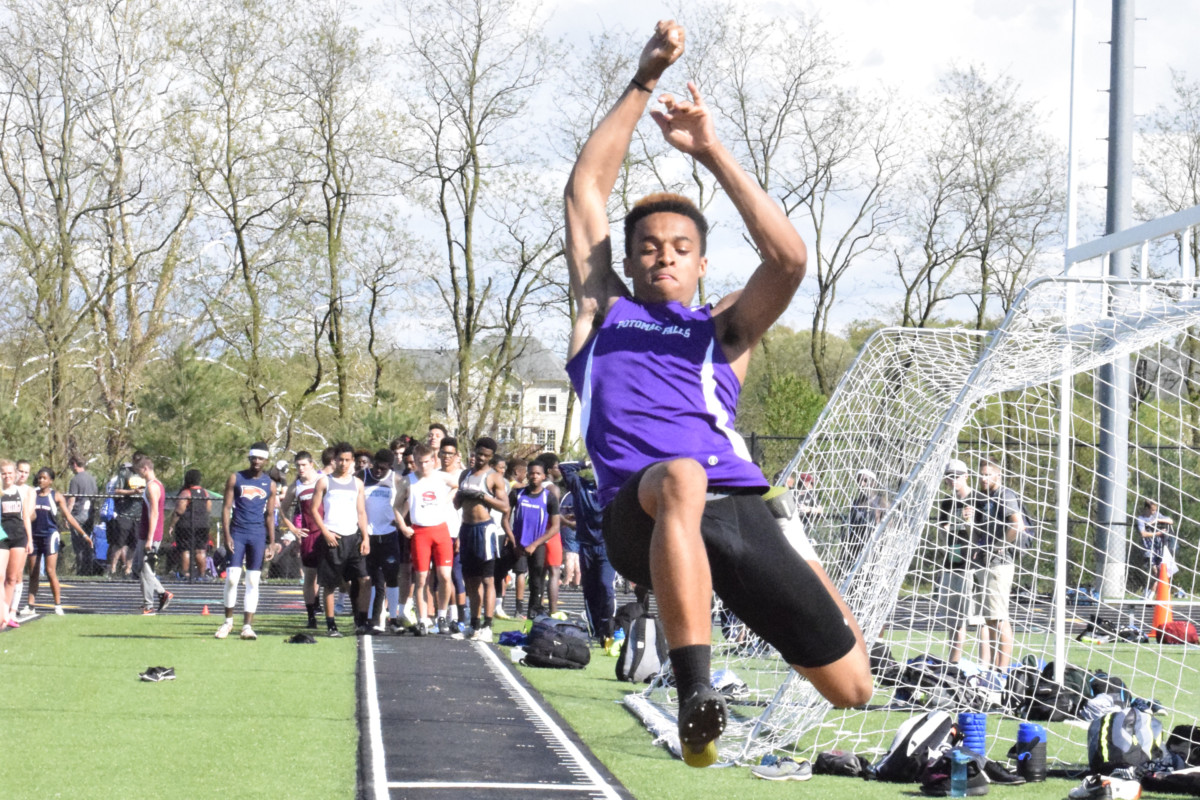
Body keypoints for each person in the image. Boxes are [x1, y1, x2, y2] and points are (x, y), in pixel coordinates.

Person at [562, 20, 870, 765]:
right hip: (645, 508)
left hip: (742, 512)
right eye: (648, 248)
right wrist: (644, 79)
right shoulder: (604, 312)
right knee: (682, 475)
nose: (663, 256)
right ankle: (696, 689)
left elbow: (790, 260)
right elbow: (586, 188)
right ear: (629, 264)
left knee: (852, 687)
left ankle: (767, 572)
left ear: (700, 262)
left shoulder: (724, 329)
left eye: (680, 248)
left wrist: (711, 150)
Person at [216, 443, 278, 640]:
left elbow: (270, 515)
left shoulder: (270, 483)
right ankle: (228, 622)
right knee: (232, 577)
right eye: (254, 458)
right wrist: (227, 535)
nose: (257, 461)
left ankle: (247, 626)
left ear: (266, 460)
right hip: (238, 532)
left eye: (261, 458)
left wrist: (272, 542)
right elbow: (226, 508)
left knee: (253, 579)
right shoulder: (236, 478)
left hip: (257, 534)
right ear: (249, 458)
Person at [310, 441, 372, 637]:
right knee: (330, 584)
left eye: (347, 460)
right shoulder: (324, 482)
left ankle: (361, 620)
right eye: (340, 460)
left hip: (353, 538)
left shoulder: (357, 483)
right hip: (333, 539)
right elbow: (314, 510)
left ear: (352, 461)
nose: (343, 464)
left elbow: (361, 512)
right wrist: (326, 532)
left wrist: (365, 538)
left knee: (364, 579)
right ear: (334, 460)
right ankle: (331, 625)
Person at [454, 437, 510, 642]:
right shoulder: (465, 474)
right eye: (479, 454)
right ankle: (474, 624)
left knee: (487, 579)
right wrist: (461, 494)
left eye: (486, 456)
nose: (481, 458)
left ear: (491, 457)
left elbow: (505, 507)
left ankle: (487, 625)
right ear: (474, 452)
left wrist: (482, 497)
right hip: (466, 529)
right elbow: (456, 505)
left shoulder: (494, 477)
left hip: (484, 530)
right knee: (470, 580)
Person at [403, 443, 458, 635]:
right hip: (420, 532)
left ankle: (442, 615)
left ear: (433, 461)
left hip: (440, 530)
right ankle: (423, 620)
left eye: (427, 462)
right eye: (420, 462)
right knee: (421, 578)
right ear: (415, 462)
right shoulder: (409, 480)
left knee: (444, 575)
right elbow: (397, 506)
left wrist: (447, 499)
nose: (424, 466)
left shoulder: (441, 476)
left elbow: (456, 485)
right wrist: (403, 526)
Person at [972, 459, 1022, 671]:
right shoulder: (984, 498)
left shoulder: (1005, 495)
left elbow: (1017, 525)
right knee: (990, 619)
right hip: (985, 563)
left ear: (997, 476)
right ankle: (992, 666)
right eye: (981, 474)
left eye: (988, 474)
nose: (984, 478)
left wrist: (1000, 545)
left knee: (1000, 618)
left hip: (999, 565)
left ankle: (1002, 669)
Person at [560, 460, 616, 639]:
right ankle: (596, 630)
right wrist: (588, 461)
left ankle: (608, 625)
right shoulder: (581, 487)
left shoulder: (613, 489)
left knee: (606, 587)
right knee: (590, 590)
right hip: (585, 546)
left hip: (606, 546)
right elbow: (564, 467)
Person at [26, 467, 89, 615]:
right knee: (33, 572)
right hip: (34, 536)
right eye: (39, 478)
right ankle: (30, 605)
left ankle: (57, 604)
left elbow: (69, 517)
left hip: (50, 535)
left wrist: (84, 534)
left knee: (50, 571)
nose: (41, 480)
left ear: (51, 481)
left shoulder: (56, 496)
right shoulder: (32, 494)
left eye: (44, 478)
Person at [504, 461, 561, 617]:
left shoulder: (549, 498)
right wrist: (512, 540)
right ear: (527, 474)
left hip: (537, 546)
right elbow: (505, 519)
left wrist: (535, 544)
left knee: (536, 581)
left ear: (543, 476)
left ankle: (533, 612)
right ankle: (504, 609)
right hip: (517, 544)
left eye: (537, 473)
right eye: (531, 473)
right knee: (504, 573)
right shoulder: (517, 494)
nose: (534, 476)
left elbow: (555, 527)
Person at [363, 448, 407, 632]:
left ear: (390, 466)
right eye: (376, 467)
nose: (378, 471)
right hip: (369, 535)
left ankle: (394, 619)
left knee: (391, 577)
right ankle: (374, 619)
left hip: (389, 534)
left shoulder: (396, 479)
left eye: (383, 468)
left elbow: (408, 498)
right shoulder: (362, 476)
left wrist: (400, 519)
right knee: (374, 579)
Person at [937, 459, 977, 663]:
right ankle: (952, 662)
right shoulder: (946, 503)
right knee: (951, 620)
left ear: (966, 477)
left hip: (972, 566)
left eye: (957, 476)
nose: (953, 480)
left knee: (973, 620)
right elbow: (945, 537)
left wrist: (967, 522)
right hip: (951, 563)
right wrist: (947, 530)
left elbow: (979, 536)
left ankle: (983, 666)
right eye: (949, 476)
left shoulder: (977, 500)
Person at [279, 451, 322, 628]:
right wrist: (294, 529)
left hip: (327, 533)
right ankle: (311, 616)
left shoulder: (323, 480)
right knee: (310, 577)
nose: (301, 468)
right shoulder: (295, 486)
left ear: (312, 464)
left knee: (337, 577)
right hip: (309, 535)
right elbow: (282, 510)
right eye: (298, 465)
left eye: (304, 465)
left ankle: (349, 613)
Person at [133, 454, 173, 615]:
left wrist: (150, 538)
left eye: (139, 471)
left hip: (151, 534)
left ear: (145, 469)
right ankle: (162, 593)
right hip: (144, 532)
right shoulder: (150, 485)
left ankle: (148, 605)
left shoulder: (153, 486)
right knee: (138, 567)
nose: (138, 474)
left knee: (146, 570)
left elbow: (155, 513)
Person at [1, 459, 33, 627]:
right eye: (4, 473)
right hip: (2, 537)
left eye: (10, 473)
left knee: (12, 577)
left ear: (15, 474)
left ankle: (7, 613)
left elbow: (26, 517)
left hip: (19, 537)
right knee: (1, 575)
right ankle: (2, 612)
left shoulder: (22, 493)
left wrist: (30, 540)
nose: (7, 476)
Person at [170, 469, 212, 582]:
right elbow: (208, 508)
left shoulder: (186, 493)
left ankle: (185, 573)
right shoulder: (205, 493)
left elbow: (179, 510)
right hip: (203, 525)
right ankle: (202, 575)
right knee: (201, 550)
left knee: (185, 550)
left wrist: (172, 525)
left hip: (186, 526)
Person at [109, 458, 143, 579]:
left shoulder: (144, 474)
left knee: (134, 544)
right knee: (119, 543)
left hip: (138, 515)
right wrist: (132, 492)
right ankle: (112, 569)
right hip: (124, 514)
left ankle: (128, 569)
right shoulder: (125, 472)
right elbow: (116, 491)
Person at [1134, 499, 1175, 597]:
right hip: (1148, 549)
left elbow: (1171, 520)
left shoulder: (1156, 515)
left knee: (1159, 574)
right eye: (1152, 510)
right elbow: (1143, 533)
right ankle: (1148, 596)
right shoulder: (1141, 519)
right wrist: (1157, 533)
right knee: (1156, 573)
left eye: (1155, 510)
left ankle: (1147, 596)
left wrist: (1158, 520)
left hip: (1158, 549)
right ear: (1146, 508)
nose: (1154, 512)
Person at [65, 456, 99, 576]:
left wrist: (67, 515)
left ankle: (81, 570)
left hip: (78, 514)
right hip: (90, 513)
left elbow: (72, 499)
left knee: (78, 543)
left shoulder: (75, 480)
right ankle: (88, 569)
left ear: (74, 464)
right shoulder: (92, 479)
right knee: (88, 541)